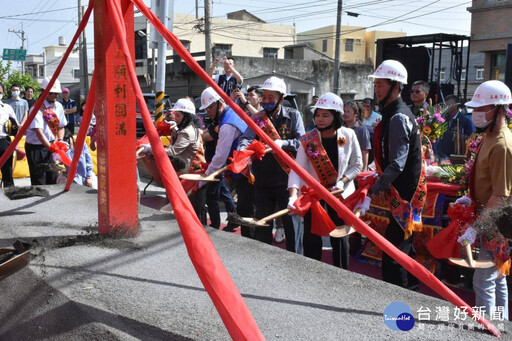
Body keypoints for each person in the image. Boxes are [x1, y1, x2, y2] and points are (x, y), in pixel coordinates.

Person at [367, 60, 426, 290]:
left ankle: (400, 301)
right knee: (403, 250)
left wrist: (375, 187)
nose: (376, 89)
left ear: (395, 86)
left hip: (404, 197)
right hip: (401, 194)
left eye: (380, 84)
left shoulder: (399, 117)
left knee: (395, 254)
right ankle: (410, 293)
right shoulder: (392, 114)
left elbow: (397, 164)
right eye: (376, 84)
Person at [288, 93, 362, 268]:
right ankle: (313, 273)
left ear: (336, 116)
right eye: (317, 115)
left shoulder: (349, 135)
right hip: (315, 196)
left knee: (340, 237)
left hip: (340, 194)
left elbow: (357, 165)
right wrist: (293, 195)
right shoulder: (308, 139)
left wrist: (343, 181)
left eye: (325, 115)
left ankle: (342, 273)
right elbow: (297, 170)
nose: (319, 119)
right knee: (312, 236)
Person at [460, 80, 512, 320]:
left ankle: (487, 329)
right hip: (492, 216)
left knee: (483, 280)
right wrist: (468, 197)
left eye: (483, 109)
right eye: (476, 109)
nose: (476, 114)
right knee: (497, 277)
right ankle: (500, 326)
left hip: (497, 221)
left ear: (500, 110)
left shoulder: (502, 144)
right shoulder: (489, 136)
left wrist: (475, 227)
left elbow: (501, 194)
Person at [238, 76, 305, 251]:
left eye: (271, 98)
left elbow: (302, 144)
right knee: (262, 228)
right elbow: (246, 138)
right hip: (262, 181)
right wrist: (244, 151)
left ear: (281, 99)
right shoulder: (258, 119)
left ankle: (296, 264)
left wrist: (282, 144)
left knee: (292, 228)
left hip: (287, 181)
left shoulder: (293, 116)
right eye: (264, 97)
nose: (266, 101)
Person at [199, 87, 247, 229]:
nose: (208, 112)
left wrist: (203, 179)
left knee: (244, 205)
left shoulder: (226, 125)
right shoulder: (228, 113)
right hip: (237, 166)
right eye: (206, 109)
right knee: (225, 193)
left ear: (220, 103)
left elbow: (220, 157)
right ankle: (234, 222)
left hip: (243, 168)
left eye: (210, 108)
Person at [227, 85, 263, 237]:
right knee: (243, 203)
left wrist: (244, 101)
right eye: (246, 95)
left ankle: (257, 237)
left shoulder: (262, 115)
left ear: (260, 99)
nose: (247, 97)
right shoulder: (244, 112)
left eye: (251, 95)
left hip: (259, 168)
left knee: (257, 206)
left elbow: (259, 119)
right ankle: (246, 236)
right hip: (242, 163)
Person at [25, 76, 67, 185]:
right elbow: (39, 132)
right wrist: (52, 149)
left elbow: (61, 126)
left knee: (53, 179)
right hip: (37, 148)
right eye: (51, 93)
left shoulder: (58, 106)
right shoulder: (37, 108)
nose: (54, 96)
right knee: (39, 180)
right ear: (44, 92)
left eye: (56, 93)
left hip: (52, 146)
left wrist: (60, 141)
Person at [435, 94, 474, 161]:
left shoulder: (464, 121)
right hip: (441, 156)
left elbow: (470, 140)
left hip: (456, 157)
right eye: (445, 105)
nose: (446, 107)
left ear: (456, 106)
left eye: (448, 105)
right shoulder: (443, 119)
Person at [0, 83, 21, 187]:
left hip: (4, 141)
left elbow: (15, 126)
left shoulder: (7, 108)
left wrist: (16, 143)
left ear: (3, 93)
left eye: (0, 92)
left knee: (7, 171)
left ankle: (9, 194)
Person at [343, 100, 371, 171]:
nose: (345, 114)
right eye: (344, 111)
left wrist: (364, 169)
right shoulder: (341, 128)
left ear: (356, 113)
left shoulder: (362, 129)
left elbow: (365, 151)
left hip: (356, 167)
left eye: (348, 112)